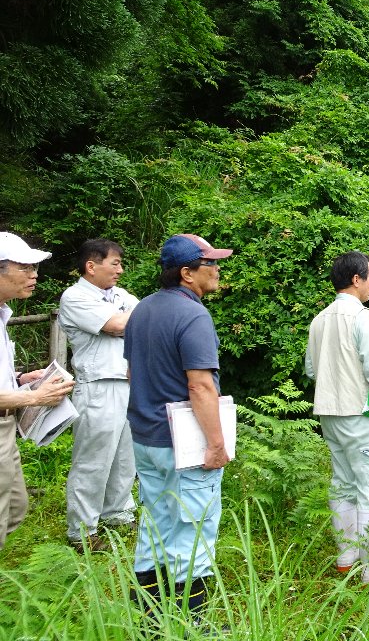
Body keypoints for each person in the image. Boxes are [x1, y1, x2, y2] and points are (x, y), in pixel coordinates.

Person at [124, 233, 233, 619]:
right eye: (211, 264)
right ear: (187, 273)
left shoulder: (142, 310)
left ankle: (151, 622)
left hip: (145, 436)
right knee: (193, 530)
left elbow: (132, 371)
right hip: (184, 444)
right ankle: (193, 624)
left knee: (155, 525)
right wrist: (216, 444)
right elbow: (200, 385)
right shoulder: (193, 315)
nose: (218, 269)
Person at [305, 251, 369, 584]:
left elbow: (310, 369)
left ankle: (347, 558)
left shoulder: (319, 319)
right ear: (356, 279)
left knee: (343, 485)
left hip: (329, 414)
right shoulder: (364, 318)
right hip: (361, 415)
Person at [59, 238, 139, 551]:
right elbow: (117, 324)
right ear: (91, 266)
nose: (120, 269)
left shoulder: (121, 295)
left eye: (120, 263)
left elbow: (139, 320)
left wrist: (140, 318)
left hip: (128, 384)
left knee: (124, 457)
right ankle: (82, 532)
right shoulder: (75, 296)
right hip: (97, 385)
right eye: (114, 263)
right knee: (93, 460)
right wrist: (141, 318)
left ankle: (119, 514)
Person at [0, 232, 75, 550]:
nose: (34, 275)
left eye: (35, 267)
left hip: (5, 428)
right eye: (25, 267)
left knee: (15, 508)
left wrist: (19, 378)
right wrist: (35, 397)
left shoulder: (2, 314)